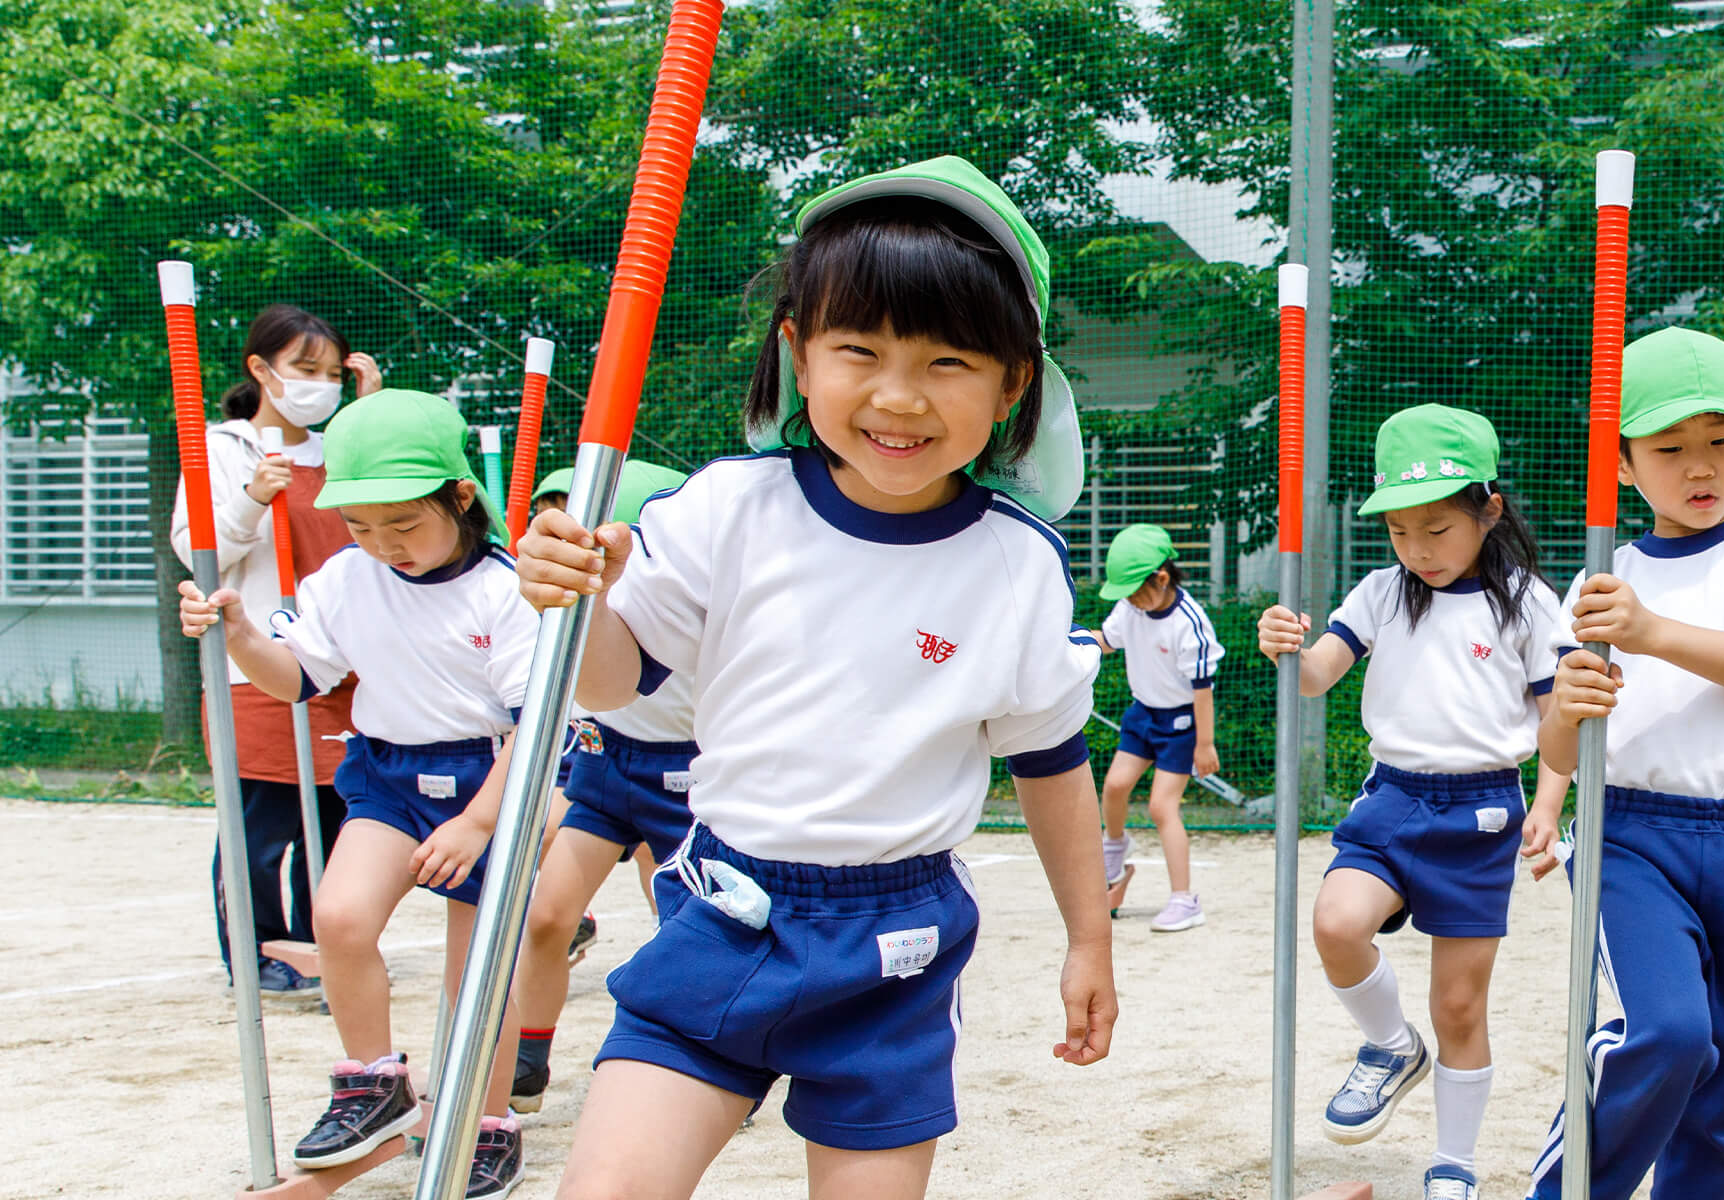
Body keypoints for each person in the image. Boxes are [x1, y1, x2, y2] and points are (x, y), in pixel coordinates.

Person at [512, 156, 1115, 1199]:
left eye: (949, 363)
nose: (898, 396)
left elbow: (1050, 764)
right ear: (797, 352)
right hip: (724, 910)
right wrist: (580, 599)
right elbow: (612, 684)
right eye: (860, 350)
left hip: (897, 945)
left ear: (1015, 380)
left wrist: (1089, 938)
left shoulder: (1016, 564)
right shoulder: (727, 510)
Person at [176, 387, 536, 1196]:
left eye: (403, 524)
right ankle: (376, 1084)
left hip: (489, 777)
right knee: (337, 917)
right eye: (361, 526)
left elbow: (533, 726)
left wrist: (479, 825)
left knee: (475, 973)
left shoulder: (507, 591)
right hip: (387, 773)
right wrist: (237, 633)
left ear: (461, 496)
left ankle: (487, 1122)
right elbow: (297, 677)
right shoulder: (345, 578)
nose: (383, 545)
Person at [1528, 327, 1724, 1199]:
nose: (1700, 468)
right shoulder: (1597, 582)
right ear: (1622, 464)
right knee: (1665, 1033)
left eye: (1720, 442)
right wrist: (1574, 705)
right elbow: (1556, 742)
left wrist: (1650, 632)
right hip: (1630, 837)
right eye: (1670, 448)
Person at [1255, 404, 1575, 1200]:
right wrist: (1283, 645)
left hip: (1484, 813)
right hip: (1393, 799)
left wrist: (1549, 801)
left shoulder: (1529, 602)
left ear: (1488, 510)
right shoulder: (1379, 593)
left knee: (1460, 1005)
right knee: (1335, 922)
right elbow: (1315, 675)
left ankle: (1454, 1165)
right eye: (1400, 532)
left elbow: (1555, 721)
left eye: (1437, 529)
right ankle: (1391, 1046)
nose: (1418, 550)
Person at [169, 303, 380, 1000]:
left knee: (336, 816)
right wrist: (251, 500)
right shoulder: (224, 449)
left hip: (342, 667)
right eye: (303, 370)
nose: (318, 384)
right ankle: (255, 954)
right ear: (261, 370)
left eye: (329, 373)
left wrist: (368, 418)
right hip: (257, 662)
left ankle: (324, 945)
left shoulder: (343, 447)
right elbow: (195, 551)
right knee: (261, 825)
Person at [500, 458, 692, 1115]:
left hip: (687, 779)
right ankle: (529, 1055)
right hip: (606, 770)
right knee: (548, 913)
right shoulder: (566, 601)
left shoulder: (687, 598)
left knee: (683, 927)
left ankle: (705, 1051)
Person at [1090, 523, 1225, 932]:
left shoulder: (1190, 623)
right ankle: (1114, 848)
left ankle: (1185, 901)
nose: (1128, 600)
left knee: (1161, 807)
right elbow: (1106, 641)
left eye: (1133, 589)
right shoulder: (1131, 608)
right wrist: (1066, 643)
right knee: (1113, 787)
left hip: (1181, 725)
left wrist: (1205, 744)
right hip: (1141, 716)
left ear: (1161, 579)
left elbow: (1203, 690)